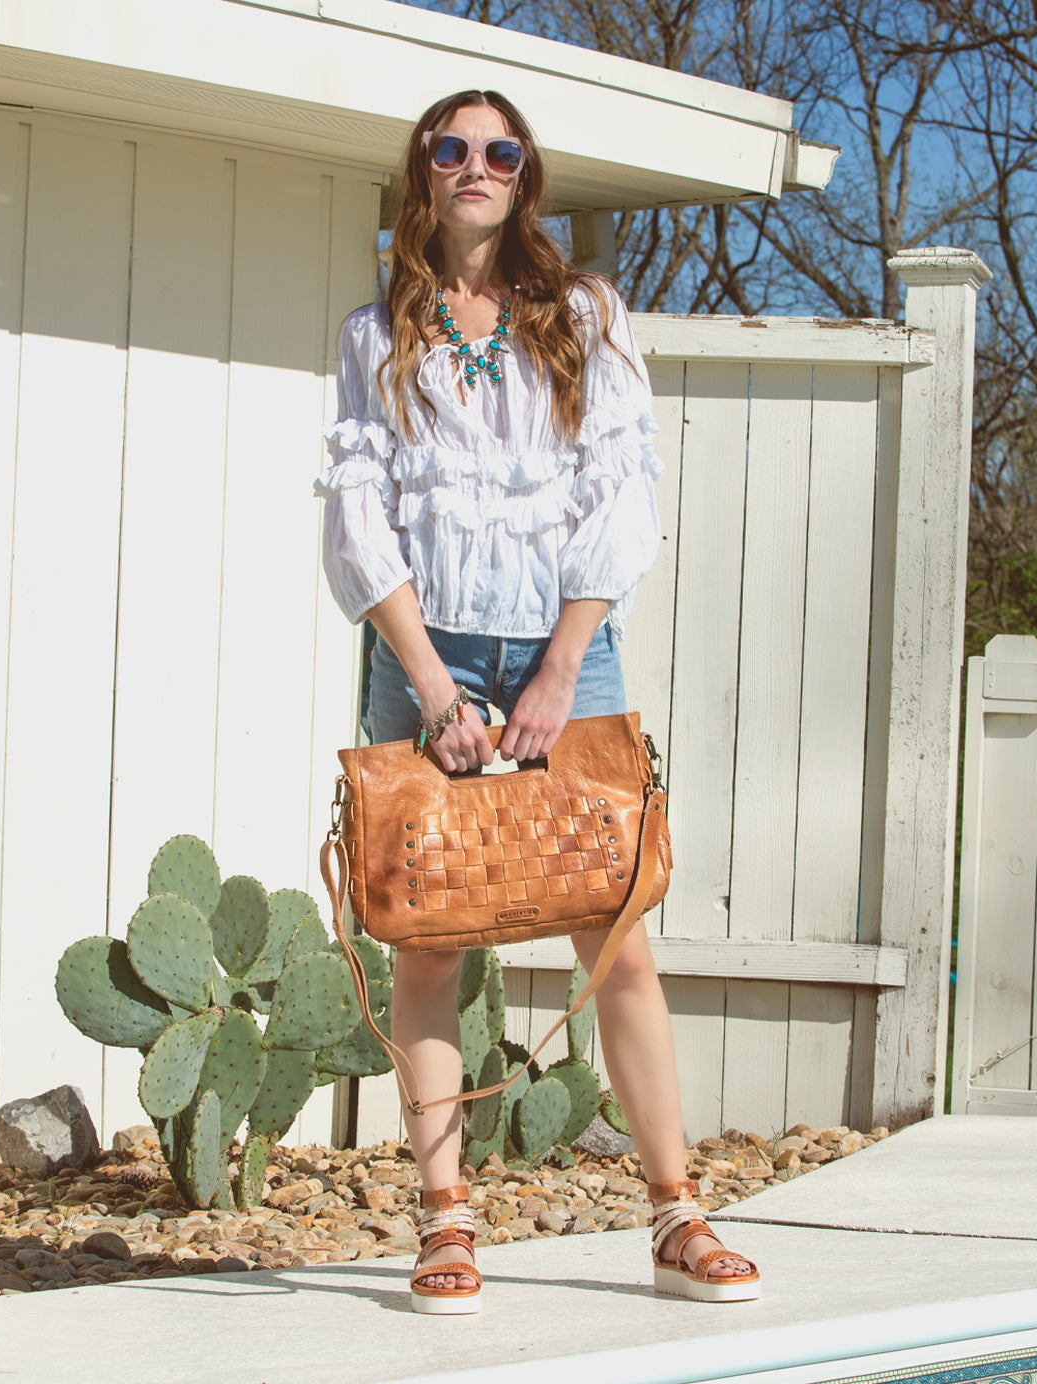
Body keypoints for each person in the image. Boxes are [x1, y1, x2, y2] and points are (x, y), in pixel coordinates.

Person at [315, 88, 759, 1315]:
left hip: (570, 647)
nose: (475, 165)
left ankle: (675, 1214)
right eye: (451, 148)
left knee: (616, 936)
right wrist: (430, 682)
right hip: (428, 649)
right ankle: (445, 1220)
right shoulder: (373, 333)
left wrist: (563, 666)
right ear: (422, 172)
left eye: (498, 150)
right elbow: (360, 515)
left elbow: (621, 502)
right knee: (430, 946)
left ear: (526, 177)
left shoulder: (588, 317)